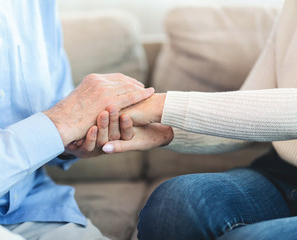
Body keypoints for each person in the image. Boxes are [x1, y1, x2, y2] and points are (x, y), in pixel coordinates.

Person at [0, 1, 153, 239]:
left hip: (33, 207)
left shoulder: (38, 5)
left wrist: (73, 139)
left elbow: (56, 108)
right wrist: (59, 124)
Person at [101, 0, 297, 239]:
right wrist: (163, 132)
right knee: (173, 203)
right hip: (283, 174)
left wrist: (161, 106)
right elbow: (251, 110)